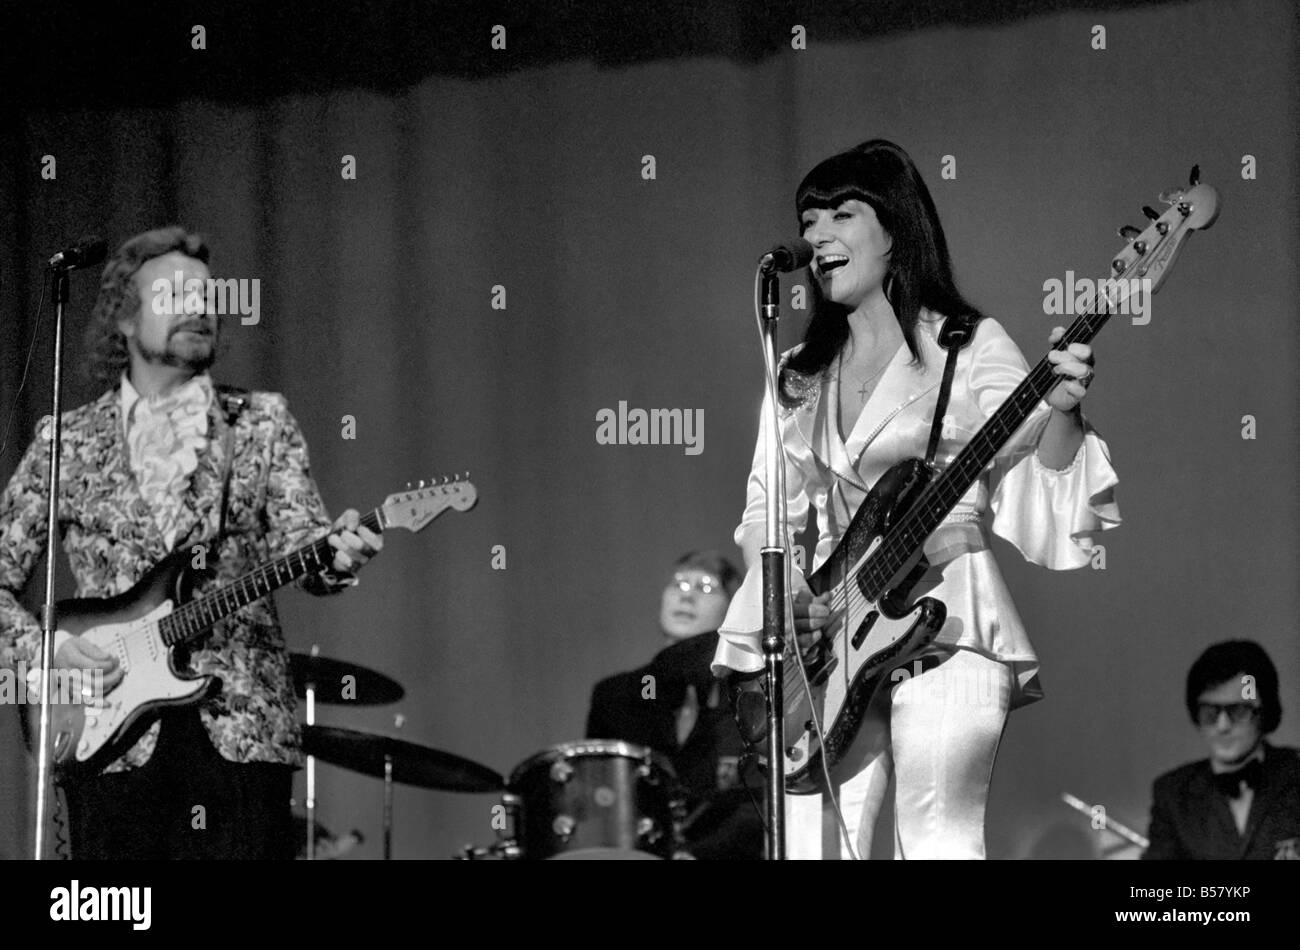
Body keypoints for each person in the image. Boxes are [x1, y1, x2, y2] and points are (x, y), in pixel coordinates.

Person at [712, 140, 1121, 859]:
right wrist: (789, 597)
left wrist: (1062, 410)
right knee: (808, 843)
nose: (817, 238)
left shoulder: (966, 343)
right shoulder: (800, 372)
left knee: (937, 838)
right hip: (834, 638)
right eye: (809, 221)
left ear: (895, 229)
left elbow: (1036, 464)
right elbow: (763, 509)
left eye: (841, 214)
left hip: (949, 620)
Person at [0, 227, 382, 859]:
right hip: (108, 738)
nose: (200, 308)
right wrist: (47, 654)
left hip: (239, 732)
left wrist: (338, 554)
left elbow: (307, 549)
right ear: (124, 318)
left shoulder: (260, 421)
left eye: (209, 297)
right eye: (175, 294)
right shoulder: (62, 442)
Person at [586, 550, 764, 859]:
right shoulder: (615, 696)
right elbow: (599, 799)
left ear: (731, 610)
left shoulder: (748, 697)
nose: (688, 597)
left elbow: (755, 807)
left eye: (706, 587)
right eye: (679, 584)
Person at [1143, 640, 1300, 860]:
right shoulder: (1173, 794)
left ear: (1265, 712)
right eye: (1210, 712)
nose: (1223, 726)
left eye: (1238, 710)